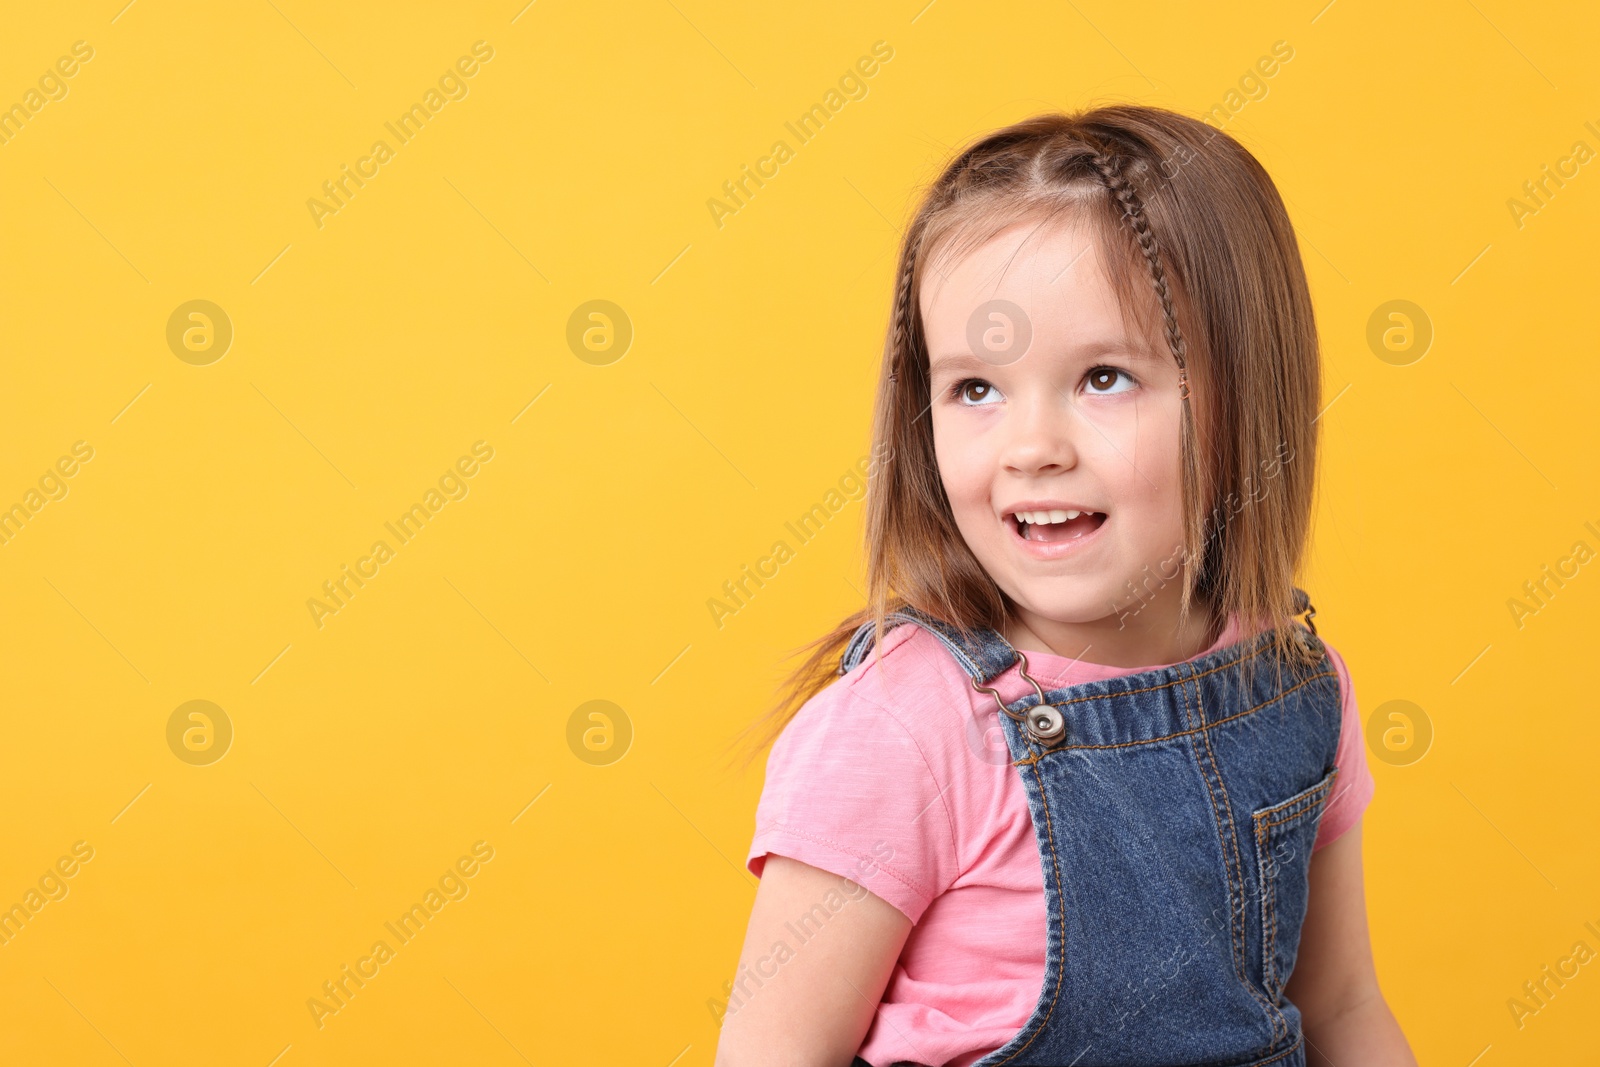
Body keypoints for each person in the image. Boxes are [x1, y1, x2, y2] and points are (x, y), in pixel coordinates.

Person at [713, 104, 1416, 1067]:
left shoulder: (1295, 688)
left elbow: (1341, 1006)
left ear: (1246, 396)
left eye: (1103, 378)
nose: (1032, 448)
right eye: (975, 389)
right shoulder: (903, 734)